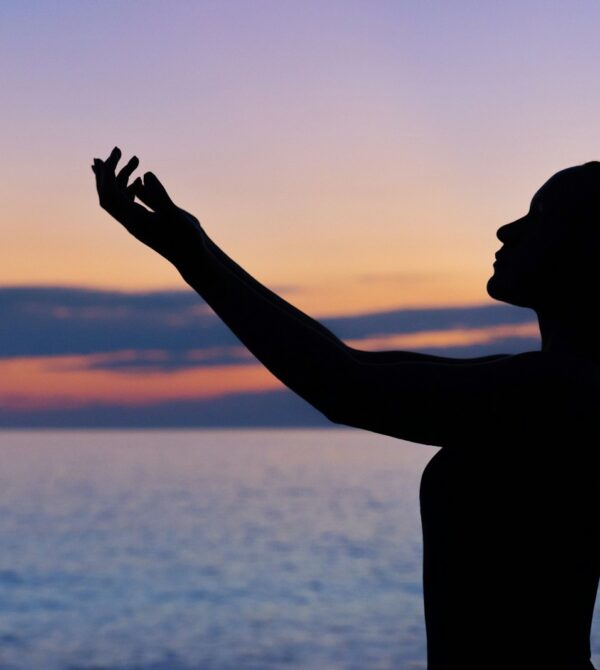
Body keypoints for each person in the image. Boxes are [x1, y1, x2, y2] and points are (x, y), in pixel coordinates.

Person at [92, 147, 599, 670]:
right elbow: (347, 366)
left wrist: (194, 258)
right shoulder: (547, 383)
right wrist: (196, 250)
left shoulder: (561, 391)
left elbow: (342, 386)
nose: (506, 230)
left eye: (539, 218)